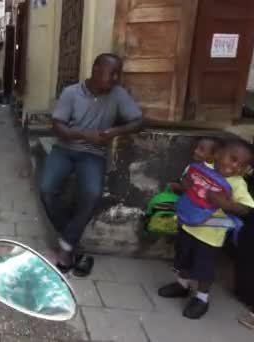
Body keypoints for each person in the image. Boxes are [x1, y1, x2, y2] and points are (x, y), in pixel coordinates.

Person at [39, 53, 143, 276]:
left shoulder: (118, 94)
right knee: (47, 189)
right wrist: (87, 136)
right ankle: (72, 241)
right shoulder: (71, 93)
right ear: (96, 70)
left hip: (93, 154)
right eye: (111, 73)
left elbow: (138, 121)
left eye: (118, 74)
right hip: (65, 149)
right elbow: (58, 127)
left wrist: (116, 131)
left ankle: (67, 247)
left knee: (92, 193)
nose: (115, 78)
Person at [158, 140, 254, 319]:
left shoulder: (237, 184)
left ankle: (202, 298)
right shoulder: (202, 169)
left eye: (241, 165)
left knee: (204, 268)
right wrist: (184, 186)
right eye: (232, 159)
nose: (235, 166)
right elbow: (186, 184)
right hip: (188, 226)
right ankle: (182, 285)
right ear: (217, 155)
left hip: (210, 236)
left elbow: (246, 208)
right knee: (182, 259)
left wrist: (226, 204)